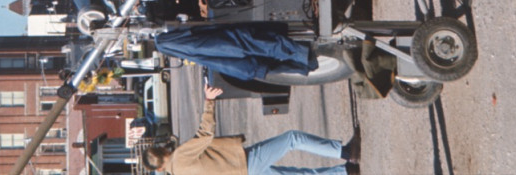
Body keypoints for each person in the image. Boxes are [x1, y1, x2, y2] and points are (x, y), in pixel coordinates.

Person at [140, 84, 360, 175]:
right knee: (292, 139)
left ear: (158, 170)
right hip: (245, 162)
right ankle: (345, 153)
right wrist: (209, 101)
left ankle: (345, 172)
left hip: (242, 173)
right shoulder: (180, 156)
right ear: (162, 152)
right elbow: (204, 135)